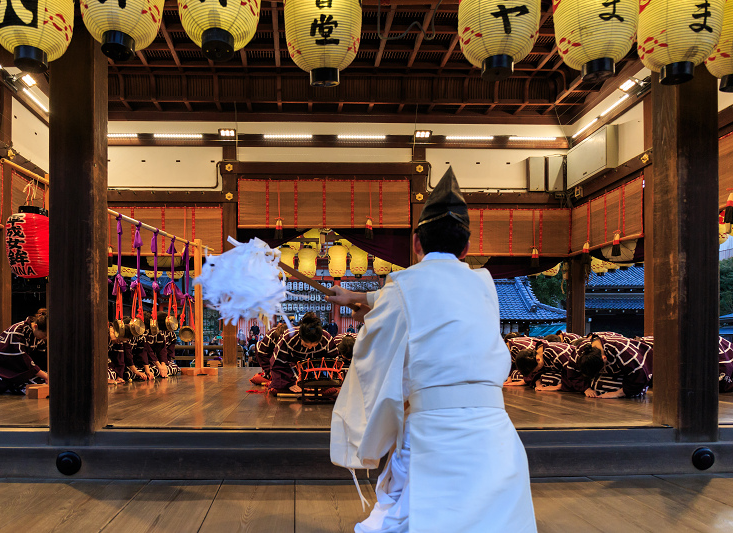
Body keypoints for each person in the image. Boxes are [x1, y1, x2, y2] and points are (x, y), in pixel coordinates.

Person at [327, 167, 536, 532]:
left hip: (434, 433)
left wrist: (367, 322)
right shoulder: (483, 284)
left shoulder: (402, 285)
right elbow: (426, 295)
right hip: (494, 431)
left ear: (416, 243)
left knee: (402, 515)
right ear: (467, 248)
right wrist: (363, 299)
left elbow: (388, 331)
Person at [269, 312, 338, 395]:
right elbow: (279, 363)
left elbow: (333, 362)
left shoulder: (326, 338)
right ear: (300, 336)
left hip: (317, 371)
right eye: (306, 344)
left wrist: (323, 381)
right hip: (292, 371)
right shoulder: (289, 337)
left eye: (314, 345)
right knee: (277, 390)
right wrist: (289, 383)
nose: (309, 348)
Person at [566, 332, 652, 398]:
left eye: (601, 370)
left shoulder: (624, 352)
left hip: (633, 370)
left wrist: (618, 393)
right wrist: (585, 388)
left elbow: (640, 375)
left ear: (604, 358)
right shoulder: (579, 351)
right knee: (599, 386)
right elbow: (572, 371)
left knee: (615, 388)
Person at [0, 312, 49, 394]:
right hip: (9, 371)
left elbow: (41, 356)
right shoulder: (17, 332)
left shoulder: (35, 334)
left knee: (53, 380)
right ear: (35, 326)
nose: (45, 338)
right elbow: (22, 359)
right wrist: (45, 375)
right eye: (45, 335)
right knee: (41, 384)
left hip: (26, 369)